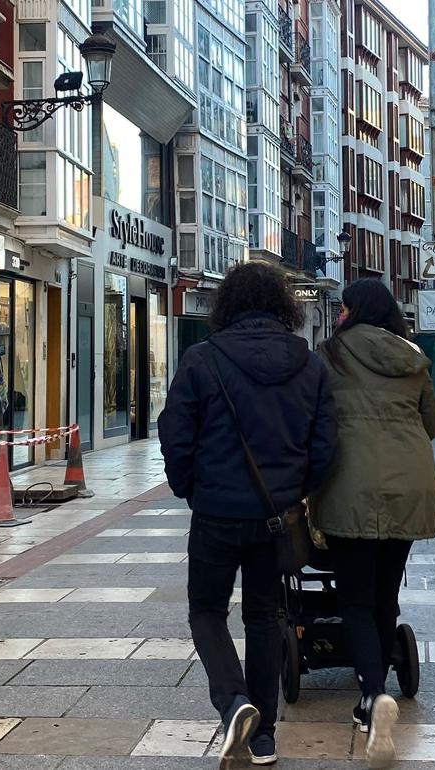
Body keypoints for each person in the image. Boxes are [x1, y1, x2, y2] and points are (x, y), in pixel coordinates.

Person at [159, 261, 337, 768]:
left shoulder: (201, 360)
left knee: (206, 612)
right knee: (265, 617)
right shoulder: (310, 366)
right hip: (275, 518)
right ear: (283, 305)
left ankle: (234, 702)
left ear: (227, 305)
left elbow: (175, 434)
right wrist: (294, 492)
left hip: (216, 513)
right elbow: (325, 447)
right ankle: (264, 739)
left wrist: (191, 487)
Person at [310, 278, 435, 769]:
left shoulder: (330, 354)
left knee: (357, 600)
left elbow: (316, 419)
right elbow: (429, 424)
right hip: (409, 484)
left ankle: (372, 695)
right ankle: (377, 684)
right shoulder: (413, 357)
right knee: (386, 594)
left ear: (351, 310)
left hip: (350, 485)